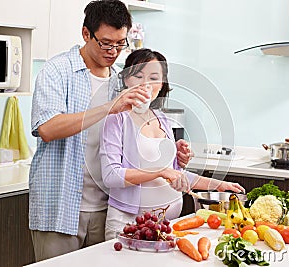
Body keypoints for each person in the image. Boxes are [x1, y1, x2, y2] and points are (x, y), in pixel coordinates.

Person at [29, 0, 191, 261]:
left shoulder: (122, 79)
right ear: (86, 34)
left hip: (111, 208)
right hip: (61, 206)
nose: (113, 51)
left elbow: (133, 147)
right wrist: (108, 107)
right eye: (106, 43)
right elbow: (47, 128)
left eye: (120, 43)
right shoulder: (57, 71)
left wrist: (173, 156)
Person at [100, 48, 245, 240]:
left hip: (166, 227)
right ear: (127, 79)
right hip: (128, 225)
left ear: (161, 84)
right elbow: (111, 176)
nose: (145, 84)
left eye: (153, 78)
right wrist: (160, 171)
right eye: (138, 76)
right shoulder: (115, 120)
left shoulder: (162, 119)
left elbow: (175, 175)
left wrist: (217, 185)